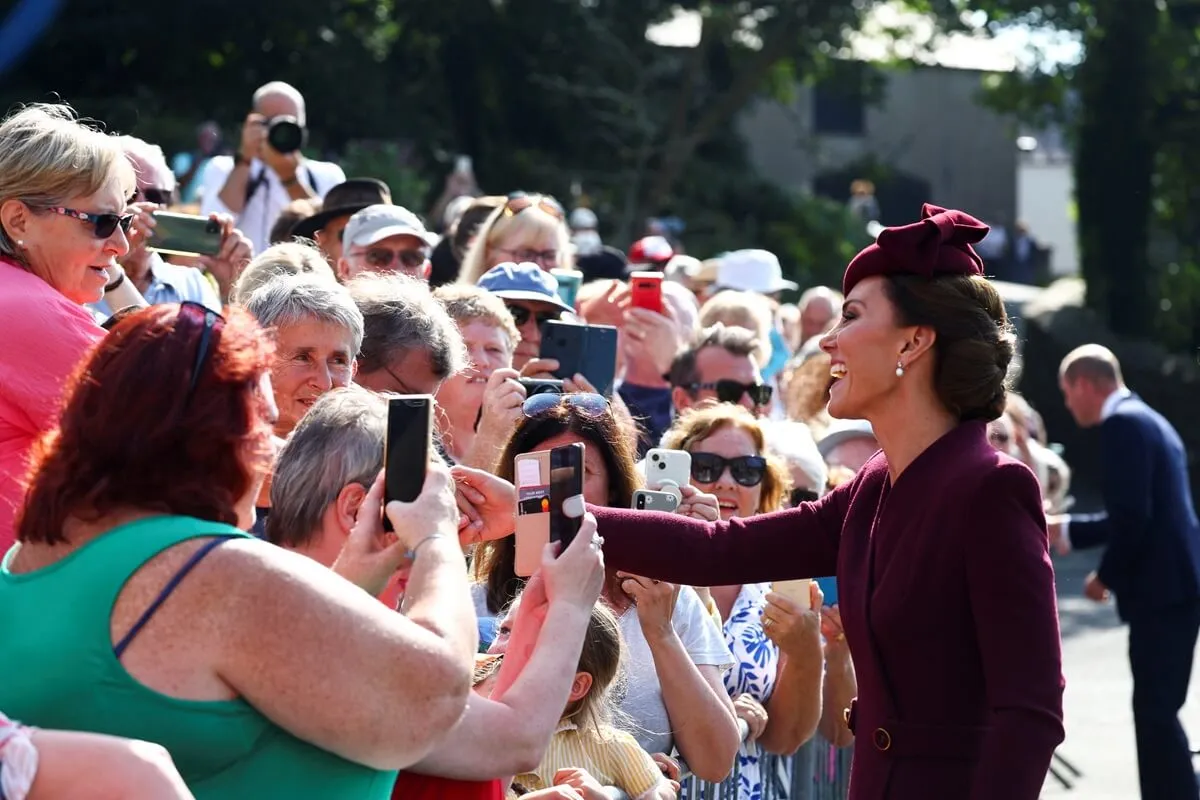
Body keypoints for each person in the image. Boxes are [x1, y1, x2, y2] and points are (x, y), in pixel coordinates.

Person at [586, 204, 1066, 799]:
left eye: (853, 316)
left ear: (914, 342)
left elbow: (1032, 713)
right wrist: (545, 514)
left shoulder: (992, 489)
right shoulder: (873, 484)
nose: (827, 340)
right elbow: (719, 550)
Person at [0, 303, 476, 798]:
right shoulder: (210, 571)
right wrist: (436, 538)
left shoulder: (24, 559)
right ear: (213, 436)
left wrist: (352, 579)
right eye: (262, 427)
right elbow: (430, 700)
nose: (273, 451)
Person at [1048, 344, 1200, 800]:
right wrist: (1071, 529)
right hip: (1177, 586)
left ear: (1085, 383)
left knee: (1155, 711)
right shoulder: (1147, 418)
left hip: (1163, 591)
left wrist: (1104, 576)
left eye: (1067, 392)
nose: (1067, 404)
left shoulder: (1122, 425)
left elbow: (1132, 517)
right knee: (1159, 708)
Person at [0, 103, 149, 551]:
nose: (121, 245)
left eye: (124, 221)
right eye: (102, 223)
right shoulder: (25, 309)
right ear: (19, 221)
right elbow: (193, 437)